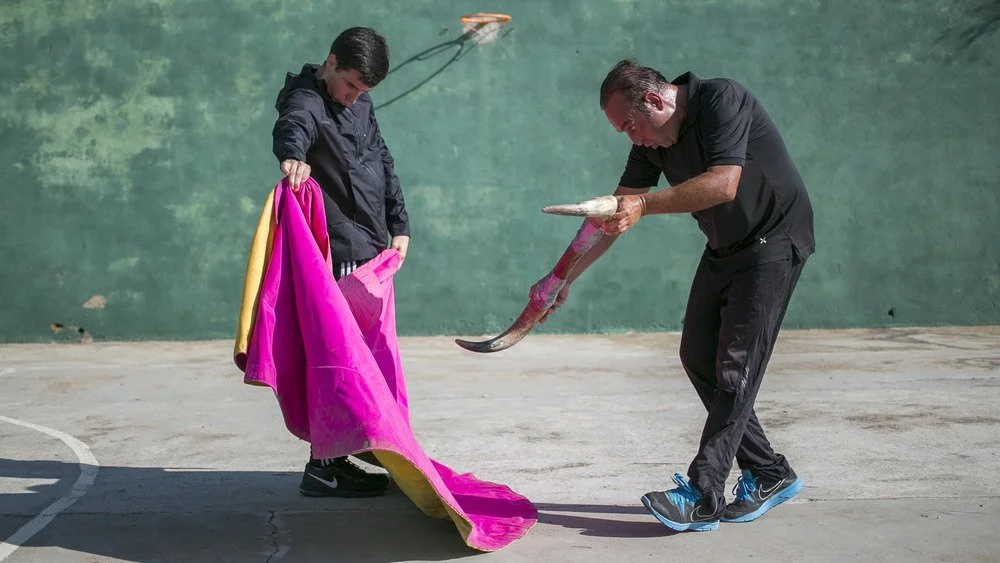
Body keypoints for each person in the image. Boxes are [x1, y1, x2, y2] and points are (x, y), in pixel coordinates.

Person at [529, 59, 815, 531]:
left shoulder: (722, 99)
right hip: (724, 247)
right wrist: (562, 278)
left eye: (630, 125)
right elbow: (613, 215)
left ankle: (702, 497)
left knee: (735, 368)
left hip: (774, 241)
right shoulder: (650, 145)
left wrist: (642, 205)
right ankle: (769, 473)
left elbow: (724, 183)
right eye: (623, 131)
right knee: (697, 357)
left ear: (656, 100)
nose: (632, 138)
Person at [271, 26, 410, 498]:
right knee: (341, 360)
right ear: (330, 62)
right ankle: (323, 466)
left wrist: (400, 223)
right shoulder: (308, 99)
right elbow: (293, 125)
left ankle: (339, 456)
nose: (353, 97)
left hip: (372, 249)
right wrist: (293, 156)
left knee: (365, 359)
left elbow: (382, 159)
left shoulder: (360, 103)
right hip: (342, 255)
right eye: (350, 84)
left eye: (363, 90)